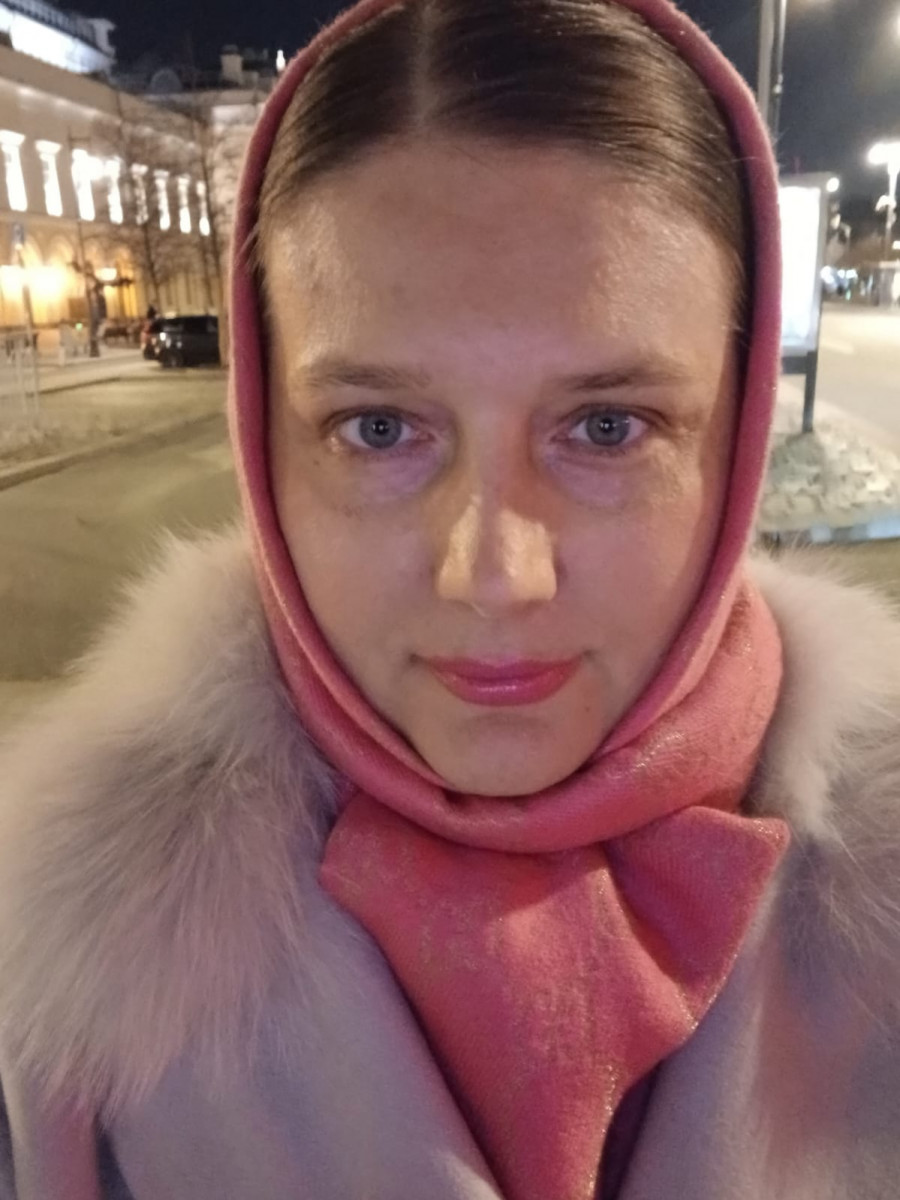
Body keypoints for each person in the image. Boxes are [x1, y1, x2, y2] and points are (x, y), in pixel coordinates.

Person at [0, 0, 898, 1196]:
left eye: (607, 427)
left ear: (730, 446)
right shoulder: (55, 965)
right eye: (379, 429)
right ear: (266, 446)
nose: (494, 576)